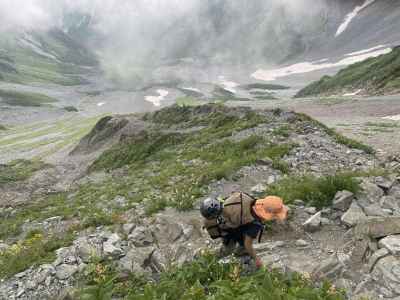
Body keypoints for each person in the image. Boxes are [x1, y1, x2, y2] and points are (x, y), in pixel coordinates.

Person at [201, 192, 288, 269]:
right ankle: (209, 260)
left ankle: (237, 254)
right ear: (269, 214)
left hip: (234, 227)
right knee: (229, 249)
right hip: (229, 231)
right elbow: (248, 244)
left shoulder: (249, 200)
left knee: (233, 246)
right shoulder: (255, 224)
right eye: (275, 215)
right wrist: (257, 259)